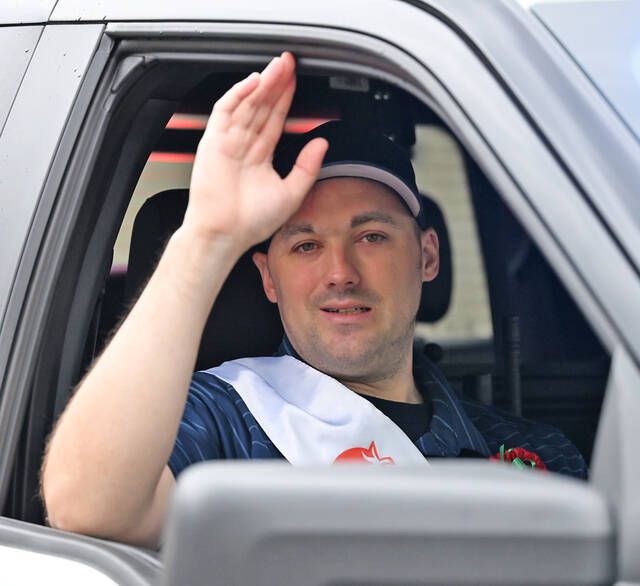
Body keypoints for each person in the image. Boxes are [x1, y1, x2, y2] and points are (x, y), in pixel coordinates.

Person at [41, 52, 586, 549]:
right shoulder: (225, 420)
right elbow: (90, 507)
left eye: (371, 237)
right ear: (268, 279)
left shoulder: (532, 453)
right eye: (305, 246)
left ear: (427, 257)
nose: (340, 274)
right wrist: (207, 238)